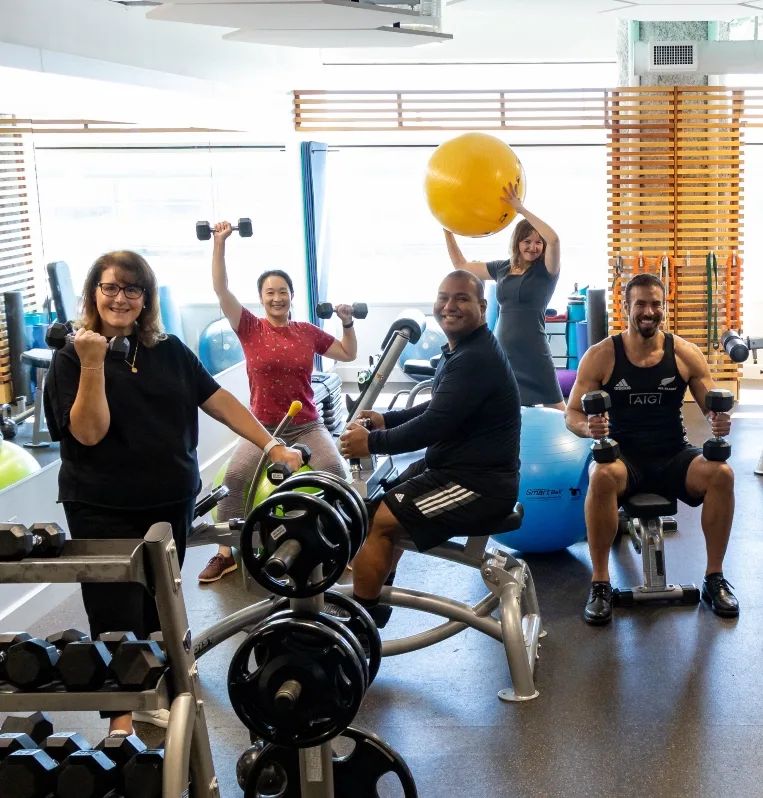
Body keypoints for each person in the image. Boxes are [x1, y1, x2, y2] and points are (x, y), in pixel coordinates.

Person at [44, 251, 303, 736]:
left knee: (157, 604)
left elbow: (218, 400)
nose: (120, 298)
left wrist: (272, 444)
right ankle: (119, 729)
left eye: (132, 289)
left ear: (146, 298)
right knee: (114, 616)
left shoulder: (169, 350)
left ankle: (153, 689)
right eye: (110, 288)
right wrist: (93, 363)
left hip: (168, 502)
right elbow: (89, 433)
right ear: (92, 294)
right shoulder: (71, 358)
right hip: (103, 508)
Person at [338, 270, 521, 629]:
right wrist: (387, 420)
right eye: (443, 298)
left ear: (482, 307)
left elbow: (432, 426)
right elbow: (440, 407)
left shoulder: (475, 358)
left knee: (380, 523)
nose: (449, 306)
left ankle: (360, 622)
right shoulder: (464, 350)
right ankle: (374, 601)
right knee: (375, 510)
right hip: (452, 469)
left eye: (461, 299)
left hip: (479, 486)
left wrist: (372, 441)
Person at [565, 272, 736, 626]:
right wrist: (588, 427)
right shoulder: (601, 356)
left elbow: (712, 408)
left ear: (664, 308)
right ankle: (600, 583)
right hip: (624, 457)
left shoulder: (685, 354)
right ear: (626, 307)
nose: (648, 311)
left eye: (655, 304)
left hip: (673, 454)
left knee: (721, 474)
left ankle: (714, 578)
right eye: (640, 303)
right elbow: (572, 413)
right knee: (601, 475)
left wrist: (719, 421)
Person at [200, 221, 359, 584]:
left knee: (334, 474)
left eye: (283, 291)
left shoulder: (306, 332)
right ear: (261, 297)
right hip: (261, 427)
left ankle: (335, 541)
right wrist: (220, 242)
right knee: (236, 479)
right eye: (270, 292)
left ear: (291, 295)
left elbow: (348, 353)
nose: (277, 297)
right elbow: (220, 287)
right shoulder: (249, 327)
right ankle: (225, 554)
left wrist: (347, 322)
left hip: (306, 423)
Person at [445, 184, 565, 409]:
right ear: (517, 242)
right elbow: (460, 265)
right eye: (527, 241)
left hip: (534, 351)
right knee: (503, 408)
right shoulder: (502, 268)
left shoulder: (547, 271)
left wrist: (520, 209)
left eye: (538, 242)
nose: (533, 247)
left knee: (558, 409)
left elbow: (555, 240)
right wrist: (447, 231)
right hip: (503, 350)